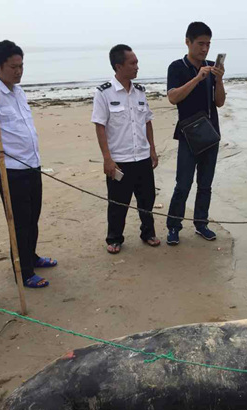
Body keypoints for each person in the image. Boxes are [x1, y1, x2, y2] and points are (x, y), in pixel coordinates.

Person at [0, 40, 57, 289]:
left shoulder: (18, 90)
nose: (19, 71)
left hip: (32, 164)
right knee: (19, 220)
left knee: (33, 216)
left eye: (21, 65)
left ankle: (31, 256)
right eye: (13, 67)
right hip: (11, 168)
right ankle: (24, 270)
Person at [91, 44, 160, 254]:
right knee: (118, 203)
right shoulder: (104, 93)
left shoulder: (139, 91)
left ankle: (148, 233)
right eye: (133, 63)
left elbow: (147, 121)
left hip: (142, 156)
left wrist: (152, 150)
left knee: (147, 200)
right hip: (120, 160)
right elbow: (100, 126)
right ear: (118, 66)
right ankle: (114, 238)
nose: (137, 67)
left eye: (137, 62)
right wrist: (107, 159)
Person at [165, 21, 226, 245]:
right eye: (200, 43)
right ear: (188, 42)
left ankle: (201, 224)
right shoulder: (177, 67)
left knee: (206, 184)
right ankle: (173, 226)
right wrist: (198, 78)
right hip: (188, 134)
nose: (204, 49)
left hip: (211, 133)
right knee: (183, 183)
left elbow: (219, 102)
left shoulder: (212, 67)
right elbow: (173, 97)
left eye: (208, 44)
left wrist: (218, 79)